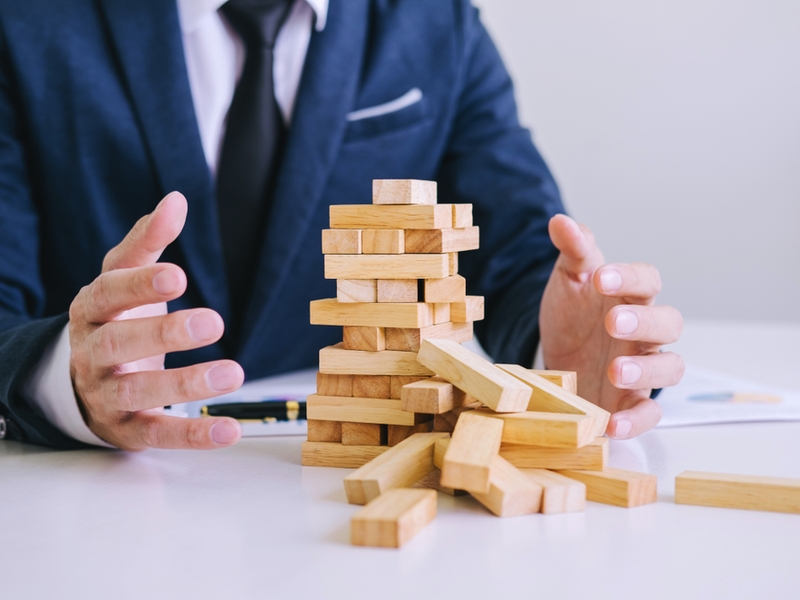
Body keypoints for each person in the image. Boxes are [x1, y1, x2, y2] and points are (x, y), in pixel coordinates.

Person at [0, 0, 684, 451]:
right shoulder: (23, 23)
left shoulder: (434, 22)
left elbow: (521, 251)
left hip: (329, 487)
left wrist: (555, 363)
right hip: (84, 505)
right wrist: (65, 379)